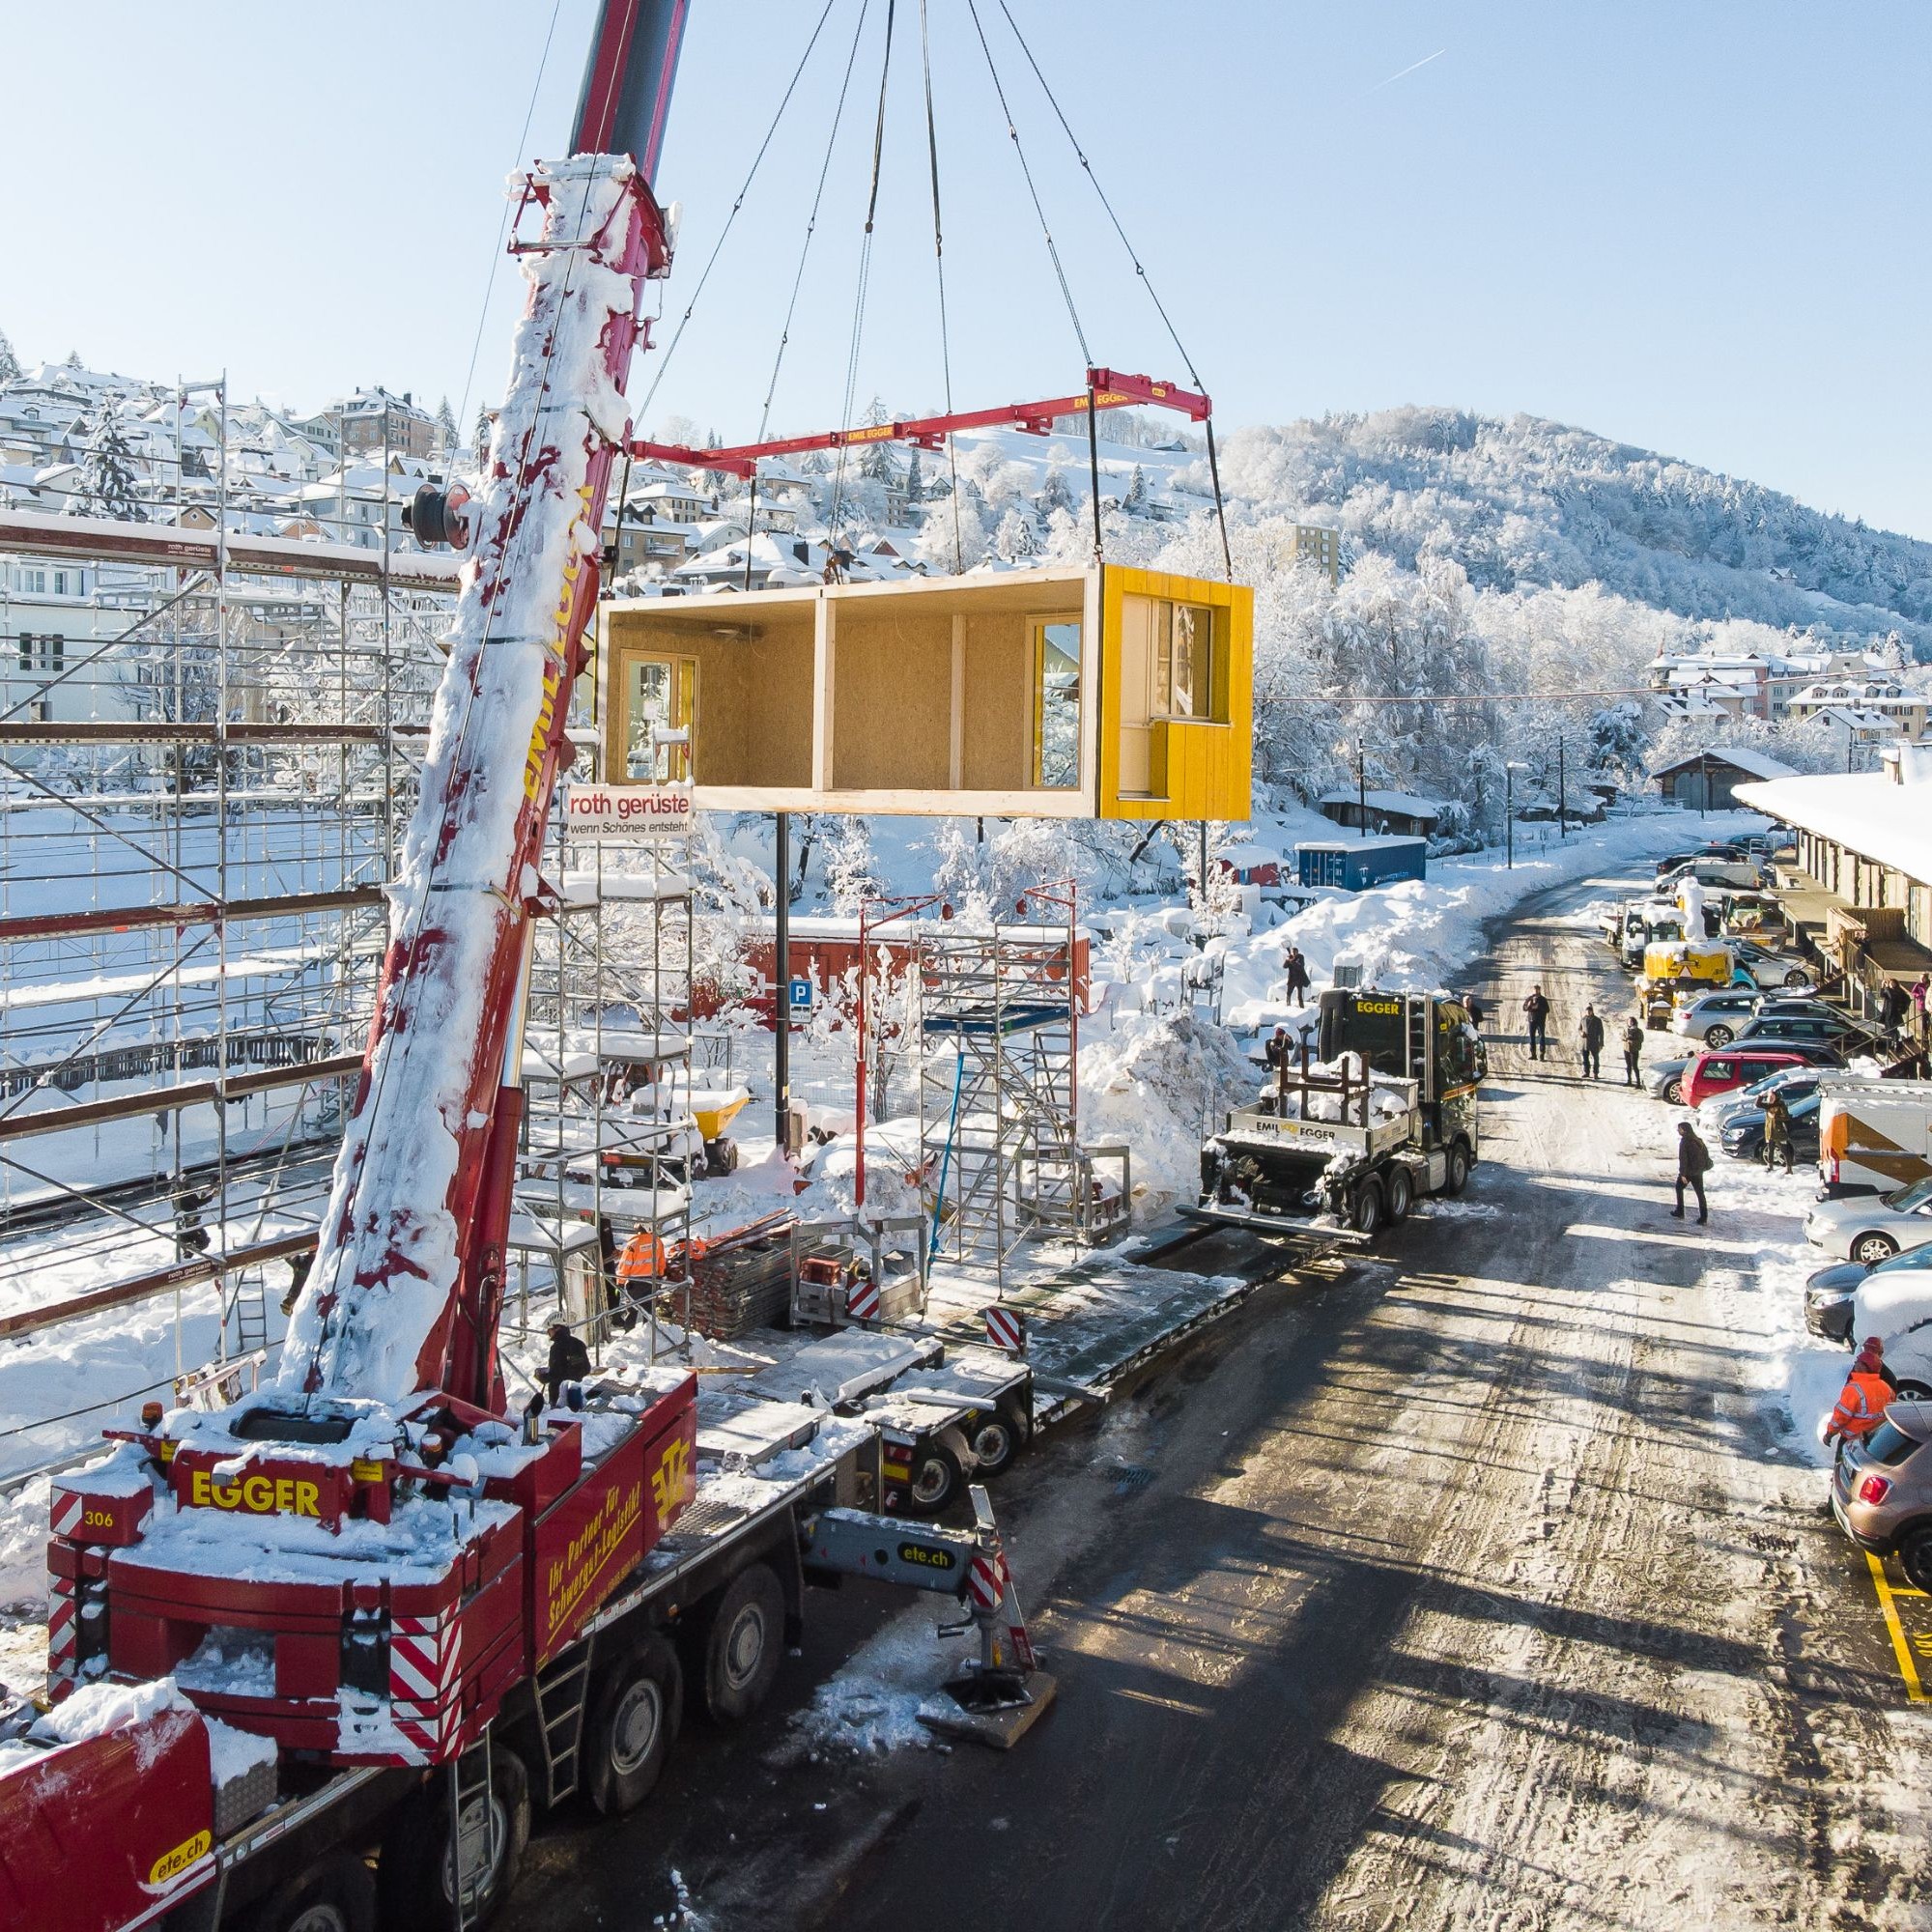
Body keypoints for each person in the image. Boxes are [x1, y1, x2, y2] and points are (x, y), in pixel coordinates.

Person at [1825, 1338, 1897, 1448]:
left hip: (1853, 1440)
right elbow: (1890, 1409)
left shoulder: (1853, 1389)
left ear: (1864, 1367)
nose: (1855, 1364)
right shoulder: (1886, 1386)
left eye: (1857, 1362)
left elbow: (1841, 1416)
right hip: (1876, 1439)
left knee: (1842, 1463)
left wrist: (1830, 1434)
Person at [544, 1321, 592, 1406]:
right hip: (575, 1392)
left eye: (549, 1330)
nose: (548, 1333)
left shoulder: (557, 1348)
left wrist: (545, 1377)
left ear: (557, 1328)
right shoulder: (578, 1343)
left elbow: (557, 1372)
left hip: (559, 1395)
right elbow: (585, 1369)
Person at [1673, 1121, 1712, 1224]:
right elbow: (1705, 1155)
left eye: (1680, 1129)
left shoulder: (1685, 1142)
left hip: (1689, 1172)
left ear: (1684, 1131)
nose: (1678, 1131)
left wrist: (1683, 1174)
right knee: (1700, 1194)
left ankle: (1680, 1210)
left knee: (1678, 1187)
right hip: (1698, 1172)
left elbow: (1683, 1159)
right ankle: (1704, 1217)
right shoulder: (1698, 1140)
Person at [1762, 1087, 1795, 1174]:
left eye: (1772, 1097)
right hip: (1769, 1132)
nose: (1770, 1099)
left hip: (1779, 1132)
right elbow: (1758, 1104)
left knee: (1784, 1150)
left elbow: (1786, 1117)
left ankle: (1789, 1168)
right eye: (1769, 1097)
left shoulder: (1781, 1105)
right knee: (1770, 1149)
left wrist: (1775, 1117)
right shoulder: (1768, 1105)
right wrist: (1760, 1096)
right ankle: (1770, 1165)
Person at [1522, 986, 1551, 1061]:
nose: (1536, 991)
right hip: (1532, 1020)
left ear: (1539, 990)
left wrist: (1539, 1007)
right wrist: (1528, 1006)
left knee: (1542, 1036)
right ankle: (1533, 1054)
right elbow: (1524, 1008)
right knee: (1532, 1037)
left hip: (1540, 1020)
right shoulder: (1530, 998)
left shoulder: (1543, 999)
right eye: (1534, 989)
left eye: (1537, 990)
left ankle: (1542, 1054)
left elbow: (1548, 1010)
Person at [1579, 1005, 1605, 1080]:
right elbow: (1579, 1028)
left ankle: (1595, 1073)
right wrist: (1581, 1033)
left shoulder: (1597, 1020)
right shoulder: (1583, 1019)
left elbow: (1601, 1032)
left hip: (1594, 1041)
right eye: (1587, 1012)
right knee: (1585, 1058)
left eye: (1589, 1011)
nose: (1588, 1013)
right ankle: (1586, 1072)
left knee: (1596, 1058)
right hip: (1585, 1042)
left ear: (1592, 1011)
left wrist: (1601, 1043)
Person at [1621, 1015, 1644, 1088]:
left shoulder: (1638, 1030)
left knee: (1635, 1066)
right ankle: (1629, 1081)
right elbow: (1622, 1037)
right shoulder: (1625, 1029)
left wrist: (1632, 1039)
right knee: (1628, 1066)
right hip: (1626, 1049)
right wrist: (1625, 1038)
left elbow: (1641, 1040)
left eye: (1631, 1021)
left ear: (1634, 1022)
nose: (1630, 1023)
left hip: (1634, 1050)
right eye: (1628, 1021)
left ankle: (1638, 1082)